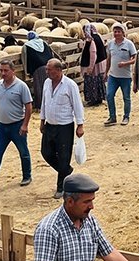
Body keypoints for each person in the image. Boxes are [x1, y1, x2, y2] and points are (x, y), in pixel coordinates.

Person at [0, 60, 33, 191]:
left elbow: (28, 106)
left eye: (6, 70)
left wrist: (25, 125)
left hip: (17, 125)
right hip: (1, 126)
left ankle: (27, 175)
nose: (3, 73)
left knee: (23, 151)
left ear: (13, 71)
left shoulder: (21, 86)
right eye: (1, 70)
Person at [39, 58, 84, 199]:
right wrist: (42, 120)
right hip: (50, 124)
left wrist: (80, 124)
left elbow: (77, 105)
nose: (47, 72)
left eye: (49, 69)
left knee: (64, 156)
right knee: (46, 152)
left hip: (65, 126)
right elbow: (44, 102)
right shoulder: (47, 83)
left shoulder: (69, 85)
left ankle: (61, 187)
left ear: (58, 70)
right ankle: (66, 171)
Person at [104, 23, 136, 126]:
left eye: (119, 31)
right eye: (115, 31)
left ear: (123, 33)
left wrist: (125, 63)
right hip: (113, 76)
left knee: (126, 97)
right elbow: (109, 59)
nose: (116, 33)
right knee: (109, 95)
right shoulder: (110, 44)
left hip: (125, 76)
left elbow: (135, 58)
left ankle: (126, 117)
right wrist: (106, 72)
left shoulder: (129, 44)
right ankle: (112, 117)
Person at [21, 31, 54, 109]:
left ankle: (40, 106)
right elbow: (51, 53)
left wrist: (27, 72)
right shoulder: (44, 43)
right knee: (50, 85)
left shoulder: (26, 46)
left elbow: (24, 59)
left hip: (37, 69)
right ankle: (50, 103)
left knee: (39, 87)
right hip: (49, 67)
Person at [80, 24, 107, 107]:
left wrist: (90, 67)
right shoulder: (98, 36)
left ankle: (93, 99)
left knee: (92, 81)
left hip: (94, 65)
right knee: (99, 80)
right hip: (100, 64)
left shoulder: (91, 40)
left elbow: (93, 54)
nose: (84, 33)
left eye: (85, 31)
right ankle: (99, 98)